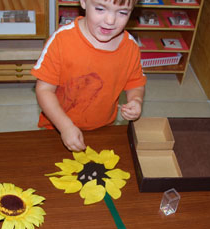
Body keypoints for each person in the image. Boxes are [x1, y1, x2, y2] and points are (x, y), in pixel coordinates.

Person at [31, 0, 146, 152]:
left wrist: (136, 100)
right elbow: (44, 90)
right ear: (83, 2)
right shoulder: (61, 40)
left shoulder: (130, 48)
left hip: (103, 126)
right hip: (57, 126)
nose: (110, 21)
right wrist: (65, 127)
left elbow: (135, 82)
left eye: (122, 12)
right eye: (100, 9)